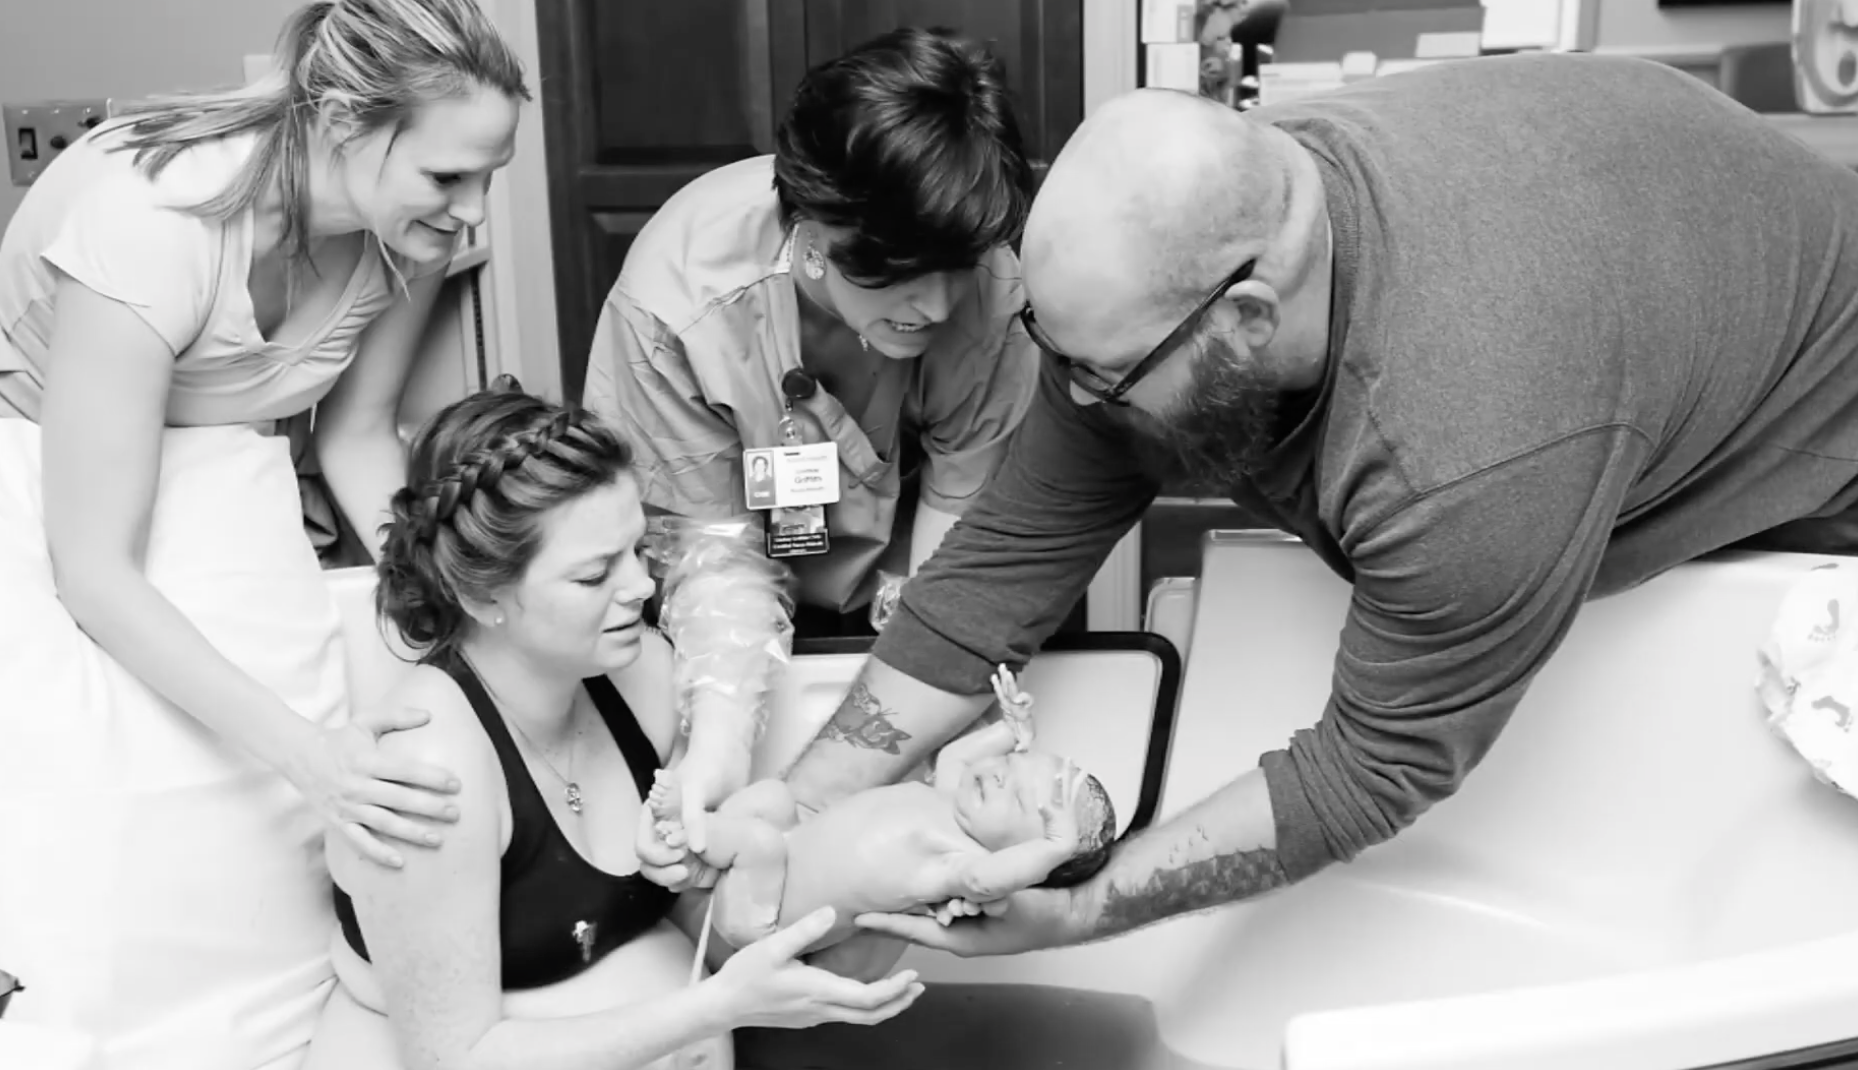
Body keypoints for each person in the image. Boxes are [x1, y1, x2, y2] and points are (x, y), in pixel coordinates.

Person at [649, 53, 1858, 961]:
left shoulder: (1466, 448)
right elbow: (1003, 562)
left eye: (1098, 376)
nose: (1066, 398)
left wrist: (1080, 906)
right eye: (1044, 347)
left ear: (1242, 319)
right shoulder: (1189, 229)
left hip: (1808, 445)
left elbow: (1371, 764)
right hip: (1632, 240)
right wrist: (799, 810)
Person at [0, 0, 526, 1061]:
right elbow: (93, 570)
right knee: (111, 841)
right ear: (343, 122)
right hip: (12, 484)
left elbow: (354, 438)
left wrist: (455, 609)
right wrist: (315, 759)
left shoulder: (409, 234)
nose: (473, 211)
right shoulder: (150, 222)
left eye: (488, 176)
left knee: (262, 847)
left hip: (216, 482)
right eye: (447, 177)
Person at [307, 389, 924, 1070]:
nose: (638, 586)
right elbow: (456, 1059)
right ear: (483, 595)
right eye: (594, 574)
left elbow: (679, 898)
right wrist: (717, 1008)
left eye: (637, 549)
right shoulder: (429, 773)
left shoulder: (635, 675)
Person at [581, 26, 1041, 639]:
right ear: (812, 222)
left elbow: (959, 520)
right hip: (730, 600)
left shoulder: (989, 285)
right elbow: (710, 567)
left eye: (954, 269)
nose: (935, 306)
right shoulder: (678, 308)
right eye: (899, 271)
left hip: (917, 584)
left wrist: (921, 655)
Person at [650, 666, 1116, 952]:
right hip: (777, 861)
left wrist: (1057, 847)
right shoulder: (952, 801)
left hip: (765, 922)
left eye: (1012, 796)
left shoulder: (961, 864)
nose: (997, 773)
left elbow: (986, 881)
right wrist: (1009, 732)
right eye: (1012, 766)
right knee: (772, 799)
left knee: (760, 841)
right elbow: (954, 757)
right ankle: (705, 867)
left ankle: (686, 829)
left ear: (1026, 858)